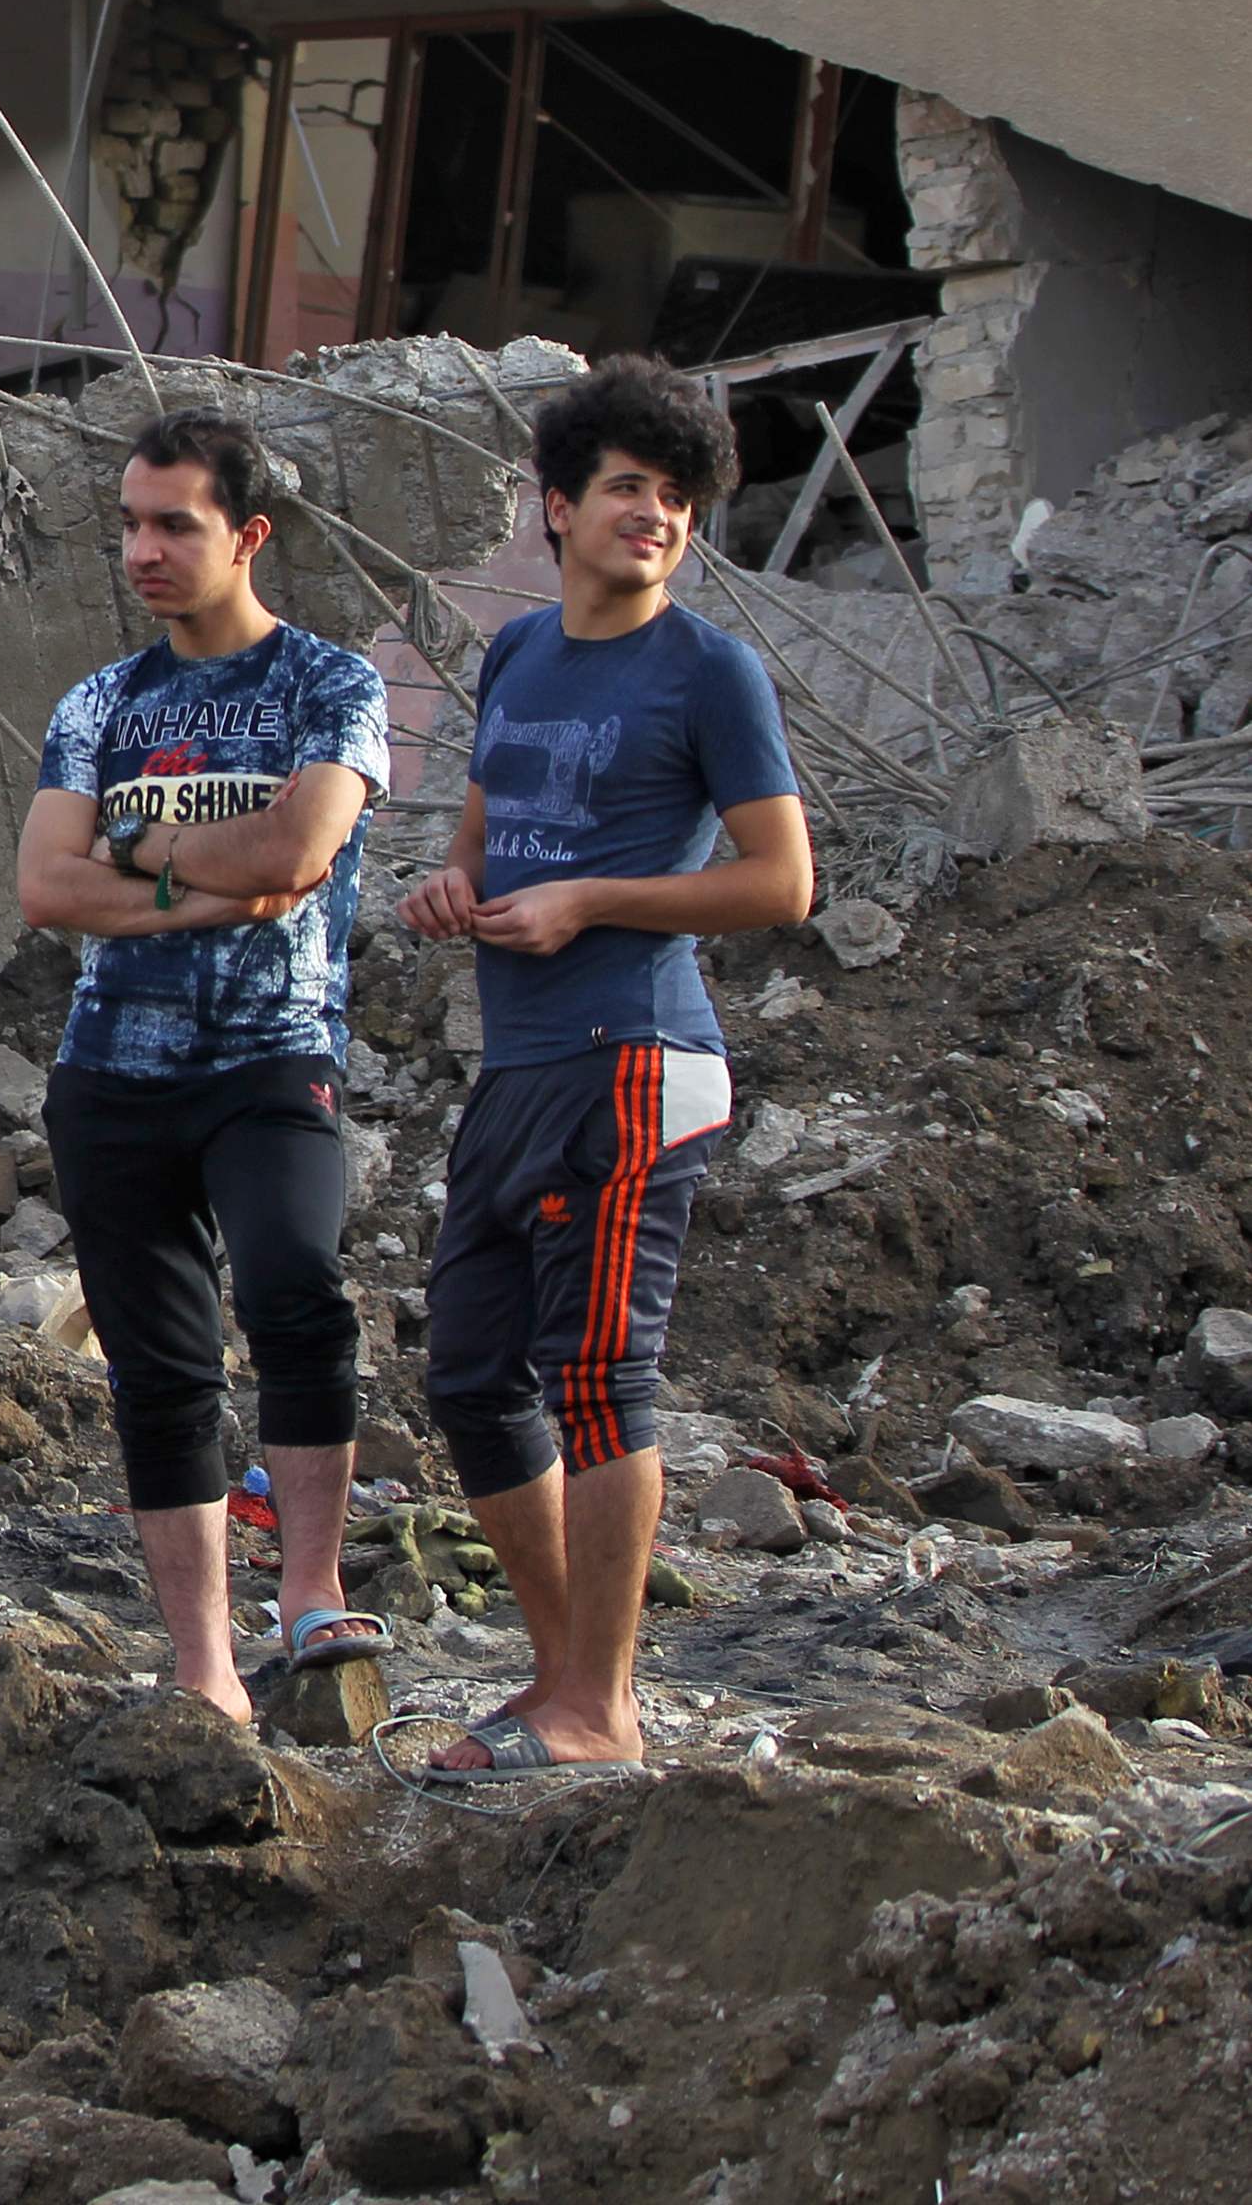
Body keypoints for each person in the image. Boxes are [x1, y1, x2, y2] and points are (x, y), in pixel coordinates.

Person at [397, 358, 810, 1775]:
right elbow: (477, 833)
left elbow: (783, 882)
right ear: (557, 505)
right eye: (629, 487)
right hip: (520, 1064)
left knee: (597, 1378)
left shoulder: (709, 669)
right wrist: (452, 893)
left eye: (679, 498)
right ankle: (564, 1678)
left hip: (638, 1051)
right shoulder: (515, 656)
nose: (655, 514)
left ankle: (598, 1703)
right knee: (466, 1372)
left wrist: (594, 900)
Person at [13, 408, 393, 1723]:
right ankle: (206, 1672)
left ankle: (311, 1590)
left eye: (176, 523)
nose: (145, 549)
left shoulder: (328, 686)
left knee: (297, 1285)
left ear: (249, 535)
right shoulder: (100, 704)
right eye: (131, 523)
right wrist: (202, 885)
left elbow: (302, 855)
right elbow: (42, 889)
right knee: (161, 1367)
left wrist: (128, 856)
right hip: (113, 1073)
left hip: (271, 1058)